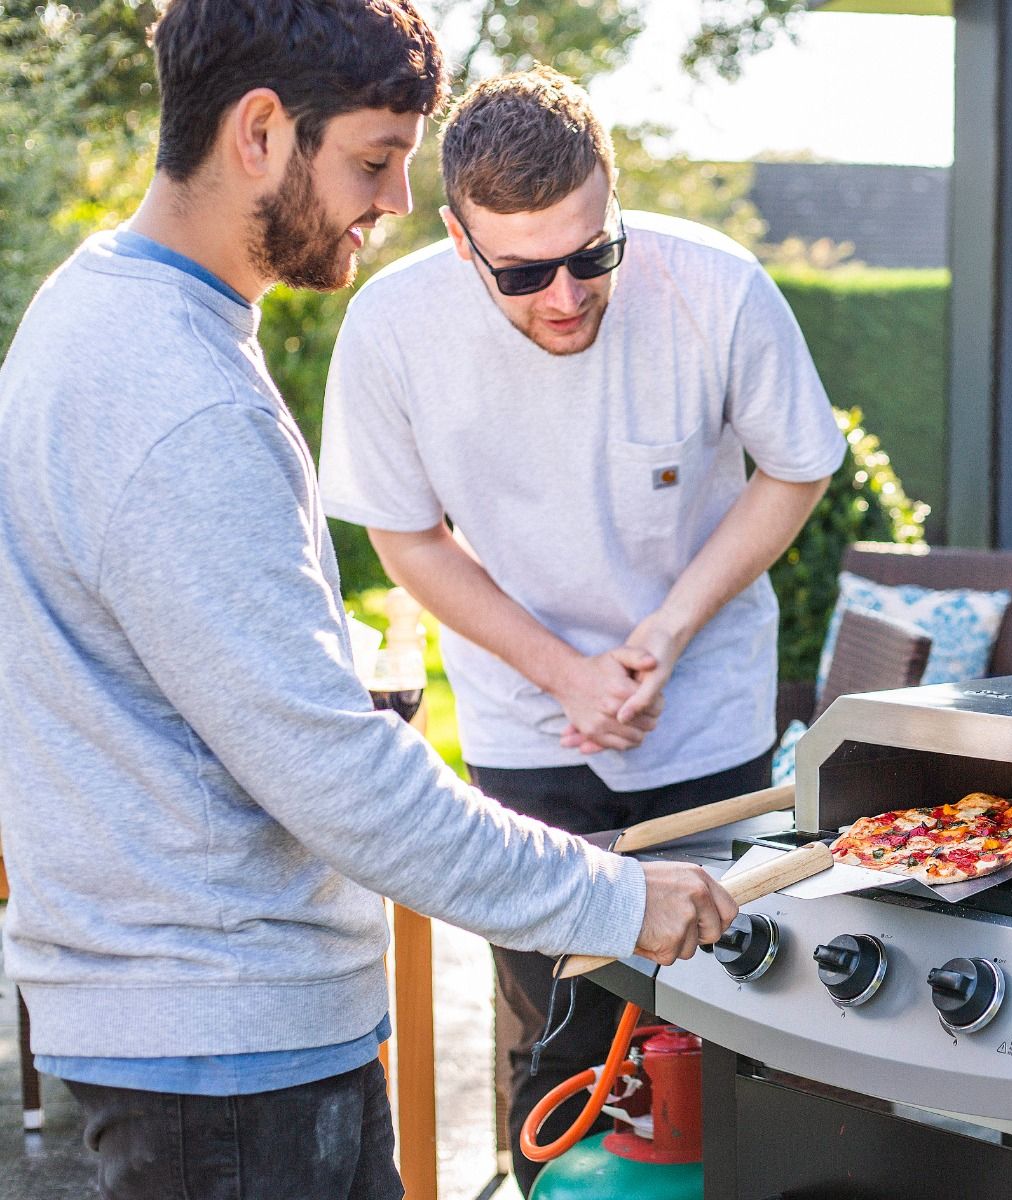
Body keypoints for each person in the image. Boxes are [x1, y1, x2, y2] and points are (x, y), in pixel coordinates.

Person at [0, 5, 734, 1199]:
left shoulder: (99, 315)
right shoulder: (180, 395)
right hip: (226, 1048)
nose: (396, 201)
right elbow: (328, 771)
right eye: (375, 159)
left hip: (199, 1030)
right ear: (259, 133)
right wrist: (609, 900)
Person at [319, 68, 843, 1191]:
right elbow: (405, 539)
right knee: (553, 1034)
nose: (564, 296)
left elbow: (795, 468)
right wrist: (565, 674)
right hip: (526, 734)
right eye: (522, 271)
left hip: (707, 728)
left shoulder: (718, 288)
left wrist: (666, 631)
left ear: (613, 200)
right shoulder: (391, 326)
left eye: (590, 253)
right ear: (460, 238)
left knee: (732, 1031)